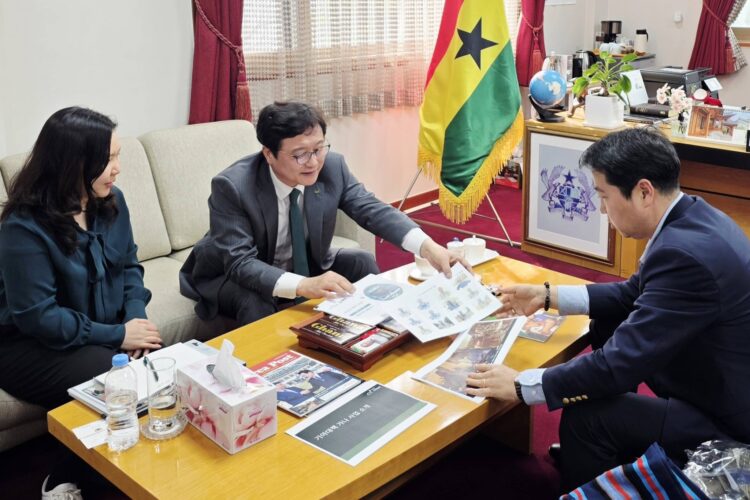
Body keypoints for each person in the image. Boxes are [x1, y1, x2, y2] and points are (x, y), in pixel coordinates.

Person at [464, 127, 750, 491]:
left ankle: (600, 479)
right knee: (608, 321)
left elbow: (618, 364)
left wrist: (523, 386)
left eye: (603, 195)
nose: (601, 208)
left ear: (643, 192)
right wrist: (546, 295)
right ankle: (611, 451)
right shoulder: (692, 216)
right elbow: (631, 294)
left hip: (726, 422)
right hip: (715, 379)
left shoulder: (684, 255)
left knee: (586, 418)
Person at [180, 101, 466, 325]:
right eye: (300, 154)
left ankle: (373, 335)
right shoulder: (232, 186)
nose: (313, 162)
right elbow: (240, 263)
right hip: (231, 274)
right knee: (255, 299)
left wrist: (428, 247)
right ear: (268, 154)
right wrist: (305, 284)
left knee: (362, 261)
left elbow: (371, 209)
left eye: (319, 149)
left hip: (299, 262)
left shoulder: (332, 167)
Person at [0, 107, 162, 409]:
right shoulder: (23, 226)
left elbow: (128, 266)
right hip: (31, 343)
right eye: (108, 159)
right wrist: (119, 335)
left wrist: (135, 318)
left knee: (159, 364)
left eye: (117, 156)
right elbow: (40, 317)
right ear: (72, 164)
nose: (117, 168)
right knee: (116, 378)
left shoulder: (112, 200)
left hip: (99, 328)